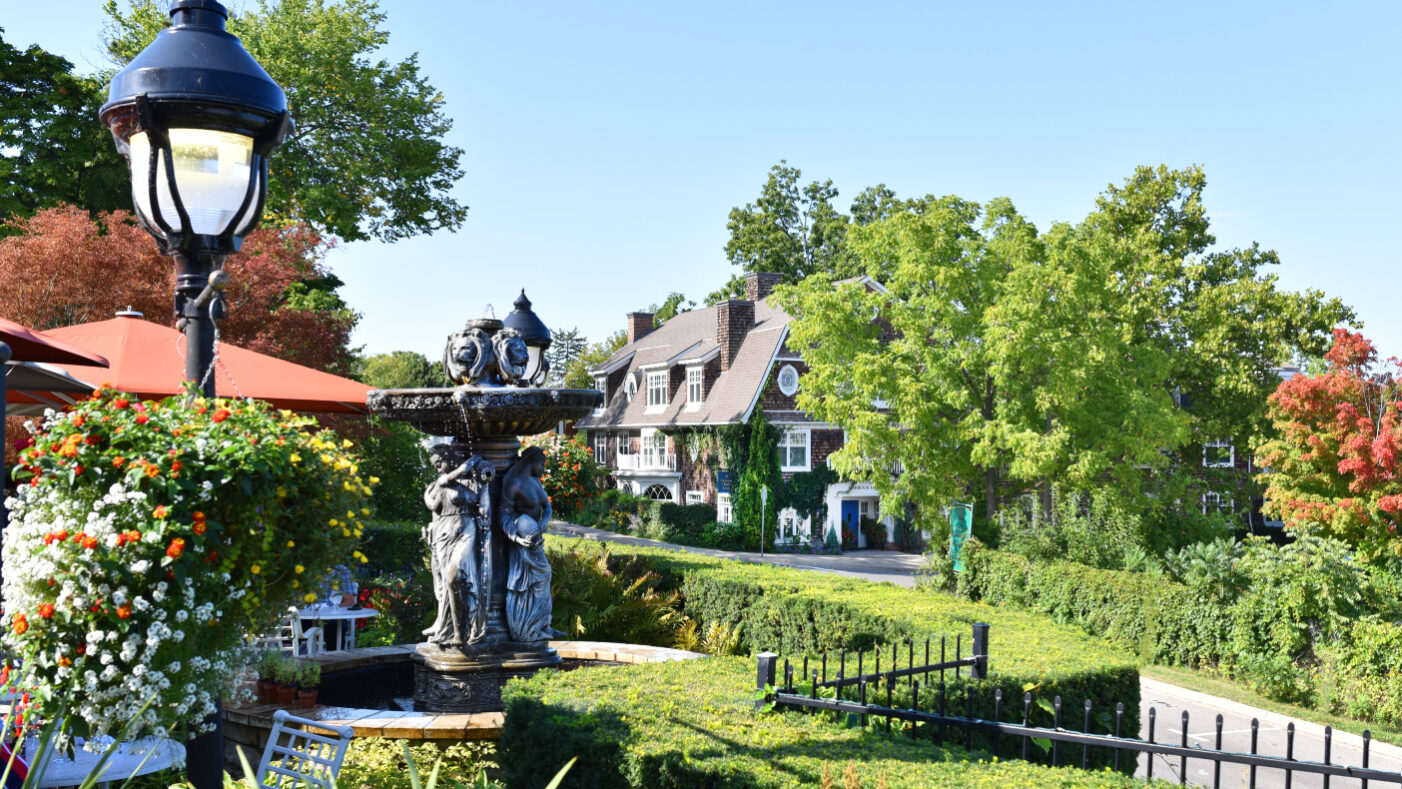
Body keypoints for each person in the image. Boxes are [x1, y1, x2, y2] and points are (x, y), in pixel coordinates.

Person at [421, 445, 493, 646]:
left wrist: (484, 481)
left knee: (454, 575)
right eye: (434, 466)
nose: (437, 469)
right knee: (448, 582)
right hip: (445, 535)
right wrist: (476, 458)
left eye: (438, 463)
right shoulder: (442, 481)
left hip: (466, 532)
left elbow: (484, 508)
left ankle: (466, 629)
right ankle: (456, 631)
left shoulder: (474, 481)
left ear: (448, 457)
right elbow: (432, 505)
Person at [498, 446, 561, 642]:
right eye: (541, 464)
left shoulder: (534, 482)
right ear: (532, 461)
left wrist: (543, 522)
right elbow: (503, 515)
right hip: (522, 542)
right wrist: (517, 538)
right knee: (526, 583)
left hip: (535, 537)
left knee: (544, 576)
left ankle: (543, 624)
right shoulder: (513, 483)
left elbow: (547, 506)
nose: (542, 469)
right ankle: (526, 629)